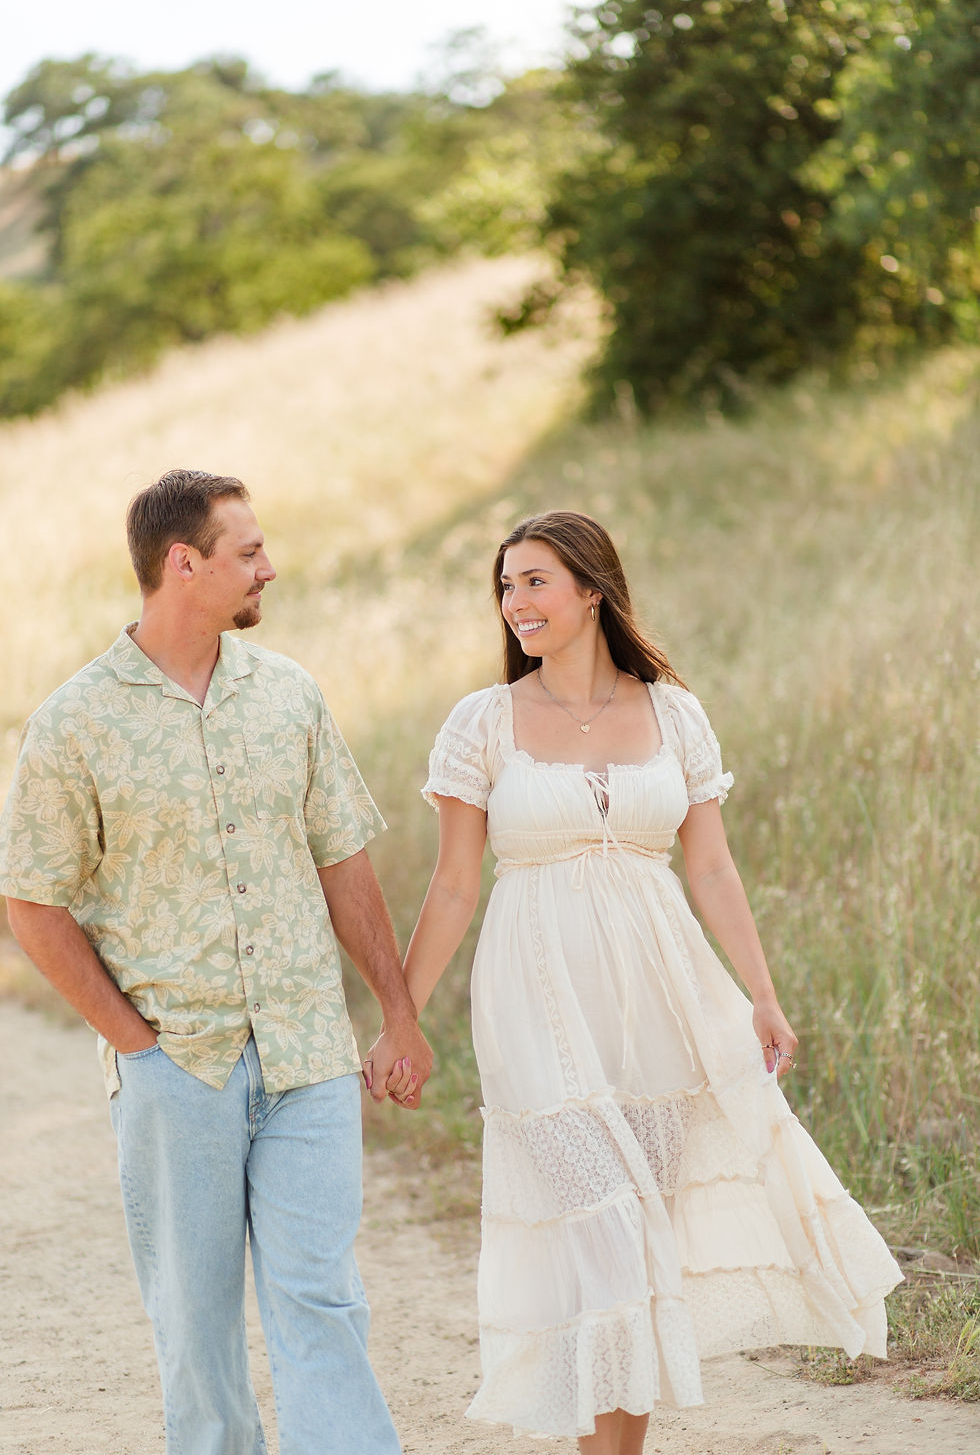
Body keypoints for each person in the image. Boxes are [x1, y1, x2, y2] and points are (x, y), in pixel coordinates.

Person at [391, 511, 902, 1455]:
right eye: (506, 586)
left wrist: (763, 992)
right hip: (537, 998)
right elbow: (456, 882)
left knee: (639, 1242)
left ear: (592, 589)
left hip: (662, 998)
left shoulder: (673, 712)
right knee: (606, 1232)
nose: (516, 603)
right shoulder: (484, 722)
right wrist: (400, 1017)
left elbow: (710, 867)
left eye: (535, 581)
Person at [0, 468, 430, 1455]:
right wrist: (134, 1043)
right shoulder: (76, 723)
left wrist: (395, 1014)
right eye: (248, 554)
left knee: (319, 1299)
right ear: (181, 564)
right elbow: (31, 899)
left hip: (307, 1055)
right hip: (174, 1069)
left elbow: (344, 863)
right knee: (196, 1329)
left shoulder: (290, 696)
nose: (268, 569)